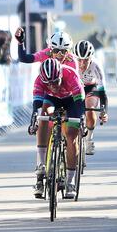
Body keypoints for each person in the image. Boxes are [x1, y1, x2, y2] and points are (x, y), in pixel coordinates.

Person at [29, 59, 85, 199]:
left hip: (72, 101)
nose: (52, 85)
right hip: (52, 100)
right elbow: (37, 103)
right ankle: (41, 166)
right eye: (48, 83)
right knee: (43, 116)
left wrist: (81, 119)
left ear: (60, 75)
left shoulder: (70, 75)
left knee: (72, 136)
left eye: (55, 81)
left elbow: (79, 103)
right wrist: (34, 119)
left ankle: (70, 181)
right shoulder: (39, 80)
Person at [73, 40, 109, 155]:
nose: (82, 64)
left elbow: (102, 92)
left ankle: (89, 140)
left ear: (91, 58)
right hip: (75, 88)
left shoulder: (96, 66)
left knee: (90, 108)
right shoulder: (70, 63)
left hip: (90, 88)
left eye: (86, 60)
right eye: (79, 60)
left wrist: (104, 111)